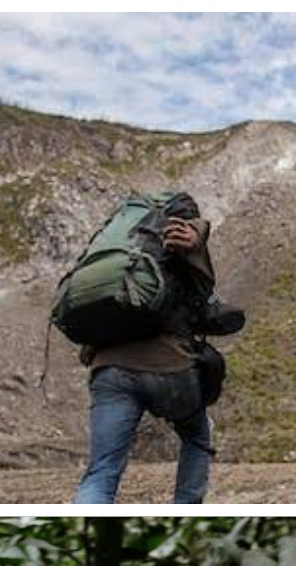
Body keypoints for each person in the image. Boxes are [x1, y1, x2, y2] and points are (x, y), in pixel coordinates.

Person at [73, 201, 240, 504]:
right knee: (197, 436)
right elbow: (203, 304)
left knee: (102, 471)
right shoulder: (183, 241)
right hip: (170, 365)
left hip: (109, 369)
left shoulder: (117, 251)